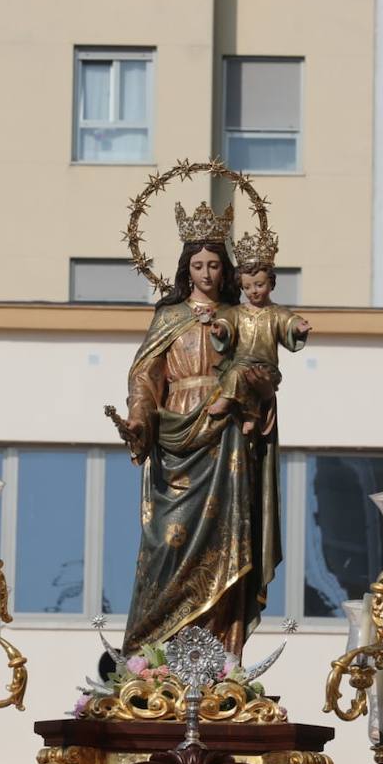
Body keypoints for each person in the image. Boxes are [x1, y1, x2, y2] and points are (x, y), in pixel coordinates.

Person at [118, 202, 283, 657]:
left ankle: (217, 655)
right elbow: (144, 378)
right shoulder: (169, 317)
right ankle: (152, 651)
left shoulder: (241, 316)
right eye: (198, 265)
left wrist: (255, 385)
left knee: (227, 540)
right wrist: (138, 418)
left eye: (214, 264)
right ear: (186, 269)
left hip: (227, 436)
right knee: (167, 545)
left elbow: (264, 364)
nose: (207, 273)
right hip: (176, 437)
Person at [207, 242, 311, 435]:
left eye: (259, 285)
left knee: (253, 379)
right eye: (247, 287)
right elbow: (226, 323)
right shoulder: (237, 312)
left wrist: (298, 328)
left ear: (271, 284)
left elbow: (290, 322)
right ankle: (249, 415)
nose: (253, 290)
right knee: (237, 375)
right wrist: (220, 330)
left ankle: (239, 409)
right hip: (242, 362)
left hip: (267, 366)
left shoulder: (277, 313)